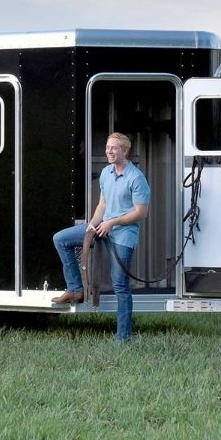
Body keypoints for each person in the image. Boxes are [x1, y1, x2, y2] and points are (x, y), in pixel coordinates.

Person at [51, 132, 150, 342]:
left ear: (125, 150)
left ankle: (123, 337)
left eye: (113, 148)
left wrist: (112, 222)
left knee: (119, 285)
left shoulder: (136, 177)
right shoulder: (106, 173)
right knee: (61, 239)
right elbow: (102, 205)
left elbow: (141, 212)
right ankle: (75, 289)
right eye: (107, 148)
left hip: (123, 234)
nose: (109, 152)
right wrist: (93, 225)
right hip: (102, 226)